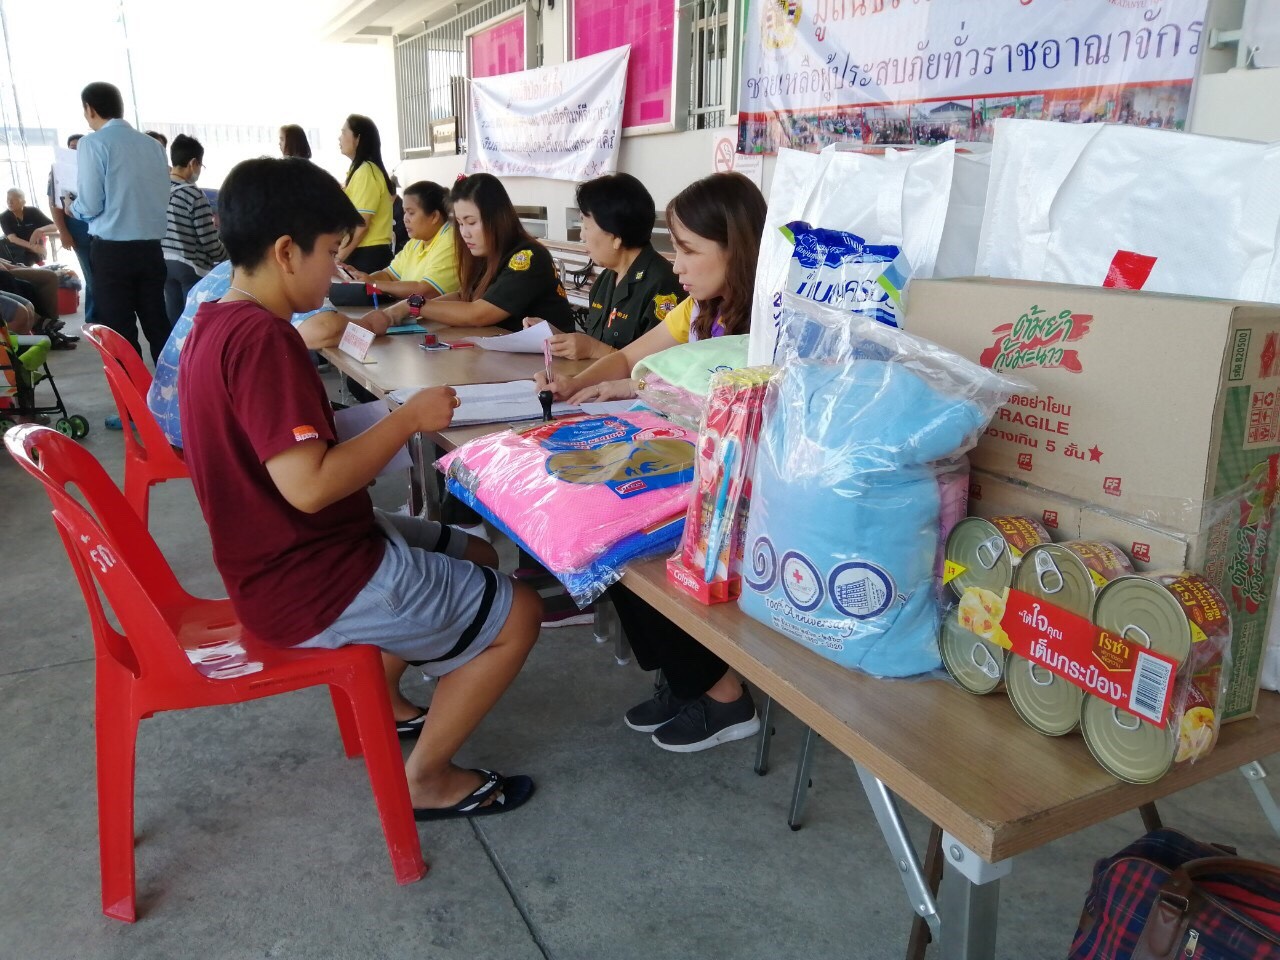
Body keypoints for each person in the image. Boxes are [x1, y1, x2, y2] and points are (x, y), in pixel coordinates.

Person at [179, 156, 541, 818]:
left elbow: (281, 456)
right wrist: (406, 419)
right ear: (285, 252)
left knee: (475, 551)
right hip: (310, 576)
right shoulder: (264, 341)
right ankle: (425, 780)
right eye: (330, 254)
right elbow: (310, 486)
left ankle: (385, 694)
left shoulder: (215, 323)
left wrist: (381, 419)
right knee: (520, 613)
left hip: (286, 555)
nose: (336, 274)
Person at [538, 172, 768, 753]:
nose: (676, 264)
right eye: (675, 247)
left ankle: (724, 697)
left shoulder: (771, 323)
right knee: (599, 524)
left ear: (737, 247)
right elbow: (627, 359)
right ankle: (687, 679)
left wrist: (636, 390)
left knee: (622, 537)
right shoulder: (698, 308)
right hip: (690, 468)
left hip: (742, 492)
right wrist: (574, 386)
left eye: (688, 249)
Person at [362, 173, 572, 333]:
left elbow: (479, 313)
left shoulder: (527, 257)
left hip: (550, 363)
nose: (464, 233)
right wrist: (403, 310)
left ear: (496, 218)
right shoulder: (486, 254)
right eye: (460, 223)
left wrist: (414, 306)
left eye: (471, 222)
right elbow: (465, 296)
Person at [70, 82, 172, 366]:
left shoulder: (93, 143)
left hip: (112, 252)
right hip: (151, 249)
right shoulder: (153, 145)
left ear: (90, 109)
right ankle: (172, 391)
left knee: (120, 332)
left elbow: (90, 204)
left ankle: (132, 396)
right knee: (157, 323)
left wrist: (72, 207)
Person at [536, 173, 681, 361]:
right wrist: (558, 337)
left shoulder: (663, 286)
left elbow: (658, 367)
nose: (581, 235)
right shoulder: (606, 279)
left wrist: (594, 350)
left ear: (615, 237)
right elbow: (595, 342)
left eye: (586, 226)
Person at [338, 180, 458, 301]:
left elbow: (427, 291)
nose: (405, 218)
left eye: (411, 213)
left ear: (434, 216)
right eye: (405, 212)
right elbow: (389, 275)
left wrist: (374, 284)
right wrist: (360, 280)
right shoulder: (416, 242)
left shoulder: (450, 241)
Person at [161, 134, 226, 324]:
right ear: (193, 163)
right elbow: (210, 243)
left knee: (175, 320)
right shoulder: (194, 194)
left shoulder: (159, 188)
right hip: (190, 267)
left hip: (164, 262)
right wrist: (229, 256)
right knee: (193, 322)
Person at [335, 114, 395, 274]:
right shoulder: (359, 171)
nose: (339, 138)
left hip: (368, 256)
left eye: (344, 132)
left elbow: (361, 225)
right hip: (361, 252)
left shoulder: (366, 172)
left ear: (358, 139)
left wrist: (338, 258)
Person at [49, 134, 96, 328]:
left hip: (100, 228)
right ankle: (94, 320)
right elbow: (55, 204)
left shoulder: (94, 166)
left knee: (103, 274)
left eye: (79, 147)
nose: (75, 150)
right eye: (72, 147)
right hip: (77, 228)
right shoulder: (58, 171)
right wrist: (63, 232)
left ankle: (102, 317)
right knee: (91, 275)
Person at [2, 189, 58, 266]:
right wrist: (33, 247)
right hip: (17, 251)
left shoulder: (33, 211)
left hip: (37, 250)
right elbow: (12, 238)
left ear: (23, 202)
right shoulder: (4, 217)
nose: (10, 202)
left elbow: (55, 226)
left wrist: (39, 230)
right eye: (8, 199)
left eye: (14, 199)